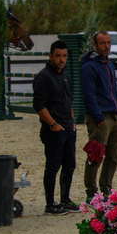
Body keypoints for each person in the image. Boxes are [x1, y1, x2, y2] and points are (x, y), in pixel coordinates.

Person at [32, 40, 77, 214]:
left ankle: (65, 199)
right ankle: (50, 204)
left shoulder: (65, 76)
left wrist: (72, 122)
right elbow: (39, 106)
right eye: (58, 56)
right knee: (53, 166)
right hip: (53, 130)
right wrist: (53, 124)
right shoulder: (43, 77)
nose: (61, 59)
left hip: (68, 128)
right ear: (51, 56)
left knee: (70, 165)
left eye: (64, 56)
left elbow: (69, 100)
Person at [81, 31, 117, 201]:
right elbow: (88, 95)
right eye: (102, 43)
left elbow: (114, 90)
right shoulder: (89, 67)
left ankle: (106, 188)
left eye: (108, 42)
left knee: (114, 154)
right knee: (95, 155)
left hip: (114, 116)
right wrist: (98, 117)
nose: (106, 46)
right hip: (100, 117)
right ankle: (91, 191)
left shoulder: (109, 64)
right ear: (95, 45)